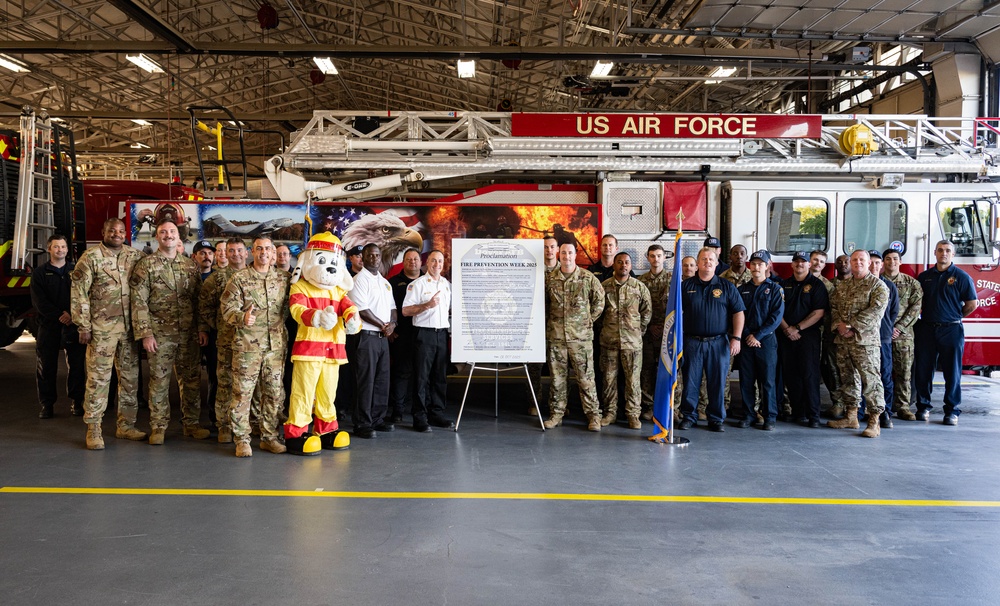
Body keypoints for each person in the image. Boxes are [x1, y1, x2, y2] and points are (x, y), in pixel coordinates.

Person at [71, 218, 147, 449]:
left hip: (129, 330)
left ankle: (126, 425)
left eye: (121, 231)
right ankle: (94, 429)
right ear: (103, 232)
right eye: (112, 231)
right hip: (102, 330)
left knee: (130, 379)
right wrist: (83, 325)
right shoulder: (91, 257)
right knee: (98, 379)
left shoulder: (135, 256)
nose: (117, 234)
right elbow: (79, 293)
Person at [130, 220, 207, 445]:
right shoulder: (146, 265)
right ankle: (158, 427)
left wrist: (202, 328)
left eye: (172, 231)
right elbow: (139, 301)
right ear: (157, 237)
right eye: (163, 232)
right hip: (160, 335)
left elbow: (199, 301)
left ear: (179, 236)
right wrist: (146, 333)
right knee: (159, 382)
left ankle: (191, 424)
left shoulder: (190, 266)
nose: (168, 235)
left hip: (188, 334)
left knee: (191, 380)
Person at [219, 236, 290, 456]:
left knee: (274, 393)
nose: (264, 253)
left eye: (268, 249)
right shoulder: (240, 279)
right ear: (252, 251)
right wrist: (242, 317)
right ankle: (242, 439)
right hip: (247, 347)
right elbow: (227, 308)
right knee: (242, 394)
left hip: (275, 347)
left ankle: (269, 437)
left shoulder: (284, 278)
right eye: (259, 248)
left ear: (273, 252)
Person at [677, 247, 745, 432]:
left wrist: (736, 338)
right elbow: (675, 313)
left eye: (711, 259)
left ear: (716, 263)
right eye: (703, 259)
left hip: (718, 342)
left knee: (718, 382)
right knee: (690, 381)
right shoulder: (685, 286)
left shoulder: (726, 286)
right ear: (697, 263)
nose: (707, 262)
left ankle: (716, 418)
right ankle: (689, 416)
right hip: (692, 342)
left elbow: (738, 313)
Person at [913, 240, 977, 425]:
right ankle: (923, 407)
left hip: (951, 330)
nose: (944, 253)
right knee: (923, 371)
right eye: (940, 250)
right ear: (935, 253)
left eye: (948, 250)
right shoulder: (924, 277)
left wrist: (954, 316)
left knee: (952, 372)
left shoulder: (962, 277)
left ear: (953, 254)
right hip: (927, 329)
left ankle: (952, 411)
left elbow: (971, 304)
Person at [542, 243, 605, 431]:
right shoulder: (550, 279)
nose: (567, 256)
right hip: (556, 338)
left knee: (586, 378)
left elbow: (600, 301)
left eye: (570, 252)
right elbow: (544, 305)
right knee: (557, 379)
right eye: (563, 252)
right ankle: (556, 414)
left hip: (581, 339)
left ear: (575, 255)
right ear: (558, 254)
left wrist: (587, 321)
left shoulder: (588, 278)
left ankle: (593, 416)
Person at [827, 250, 889, 438]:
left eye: (862, 260)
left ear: (869, 263)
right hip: (843, 340)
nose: (858, 262)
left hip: (865, 343)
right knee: (847, 379)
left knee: (871, 381)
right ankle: (851, 417)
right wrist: (839, 327)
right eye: (854, 260)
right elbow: (834, 308)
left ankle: (874, 421)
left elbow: (875, 312)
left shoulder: (878, 286)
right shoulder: (842, 286)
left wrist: (851, 327)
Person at [32, 235, 86, 419]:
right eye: (56, 247)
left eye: (63, 247)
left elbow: (84, 295)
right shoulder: (40, 273)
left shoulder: (77, 271)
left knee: (77, 366)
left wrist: (72, 315)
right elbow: (39, 302)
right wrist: (59, 315)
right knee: (46, 367)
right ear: (49, 249)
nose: (60, 250)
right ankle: (47, 405)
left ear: (67, 249)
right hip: (49, 326)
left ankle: (77, 401)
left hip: (73, 325)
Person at [199, 237, 246, 443]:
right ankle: (224, 426)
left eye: (239, 250)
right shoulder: (216, 279)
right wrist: (219, 324)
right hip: (225, 339)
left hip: (251, 342)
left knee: (247, 385)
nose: (235, 254)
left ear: (246, 253)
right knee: (224, 382)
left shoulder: (254, 275)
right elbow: (204, 307)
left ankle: (246, 424)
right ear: (226, 254)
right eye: (231, 251)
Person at [402, 250, 454, 431]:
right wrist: (427, 305)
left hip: (442, 334)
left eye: (440, 261)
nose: (437, 264)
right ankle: (419, 417)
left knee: (440, 377)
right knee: (421, 378)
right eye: (433, 261)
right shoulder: (417, 284)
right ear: (427, 262)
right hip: (424, 335)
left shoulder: (447, 285)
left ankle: (436, 414)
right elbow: (405, 311)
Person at [599, 252, 651, 429]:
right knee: (608, 379)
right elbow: (598, 313)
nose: (623, 265)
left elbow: (646, 313)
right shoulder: (604, 287)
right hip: (609, 342)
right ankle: (610, 413)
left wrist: (637, 332)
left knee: (633, 381)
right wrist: (606, 330)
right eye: (620, 262)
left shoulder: (639, 287)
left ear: (631, 265)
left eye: (627, 262)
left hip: (632, 344)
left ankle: (633, 415)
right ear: (614, 265)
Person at [349, 243, 397, 438]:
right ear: (363, 257)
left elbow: (393, 308)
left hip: (382, 339)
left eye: (377, 255)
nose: (374, 258)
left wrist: (393, 324)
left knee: (381, 380)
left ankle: (377, 419)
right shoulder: (359, 280)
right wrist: (384, 326)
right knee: (366, 381)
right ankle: (362, 423)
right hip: (367, 337)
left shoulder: (385, 282)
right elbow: (362, 310)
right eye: (370, 255)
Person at [779, 251, 830, 427]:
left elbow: (819, 312)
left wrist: (797, 328)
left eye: (803, 261)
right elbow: (777, 310)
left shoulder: (817, 285)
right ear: (792, 264)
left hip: (808, 336)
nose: (799, 264)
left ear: (809, 264)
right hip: (787, 335)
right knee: (791, 375)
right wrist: (787, 329)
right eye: (796, 261)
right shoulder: (784, 284)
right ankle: (798, 412)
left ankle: (813, 415)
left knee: (810, 375)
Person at [735, 250, 784, 430]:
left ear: (767, 266)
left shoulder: (775, 289)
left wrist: (758, 336)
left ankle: (770, 416)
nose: (756, 267)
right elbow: (739, 314)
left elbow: (776, 317)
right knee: (747, 380)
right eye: (754, 264)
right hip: (747, 340)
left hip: (766, 341)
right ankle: (749, 414)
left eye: (760, 264)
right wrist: (748, 335)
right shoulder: (742, 290)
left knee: (768, 381)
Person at [882, 249, 922, 421]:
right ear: (883, 262)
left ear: (900, 262)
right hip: (881, 334)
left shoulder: (911, 283)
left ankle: (903, 406)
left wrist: (898, 327)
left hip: (903, 336)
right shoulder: (877, 281)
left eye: (895, 259)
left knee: (904, 372)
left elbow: (915, 308)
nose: (891, 262)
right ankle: (881, 405)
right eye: (888, 259)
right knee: (881, 372)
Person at [525, 236, 561, 413]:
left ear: (557, 249)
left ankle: (559, 405)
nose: (549, 250)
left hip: (559, 327)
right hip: (536, 326)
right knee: (534, 367)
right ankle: (534, 403)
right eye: (545, 247)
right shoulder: (533, 269)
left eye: (552, 247)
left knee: (558, 367)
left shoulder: (566, 270)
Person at [865, 250, 899, 429]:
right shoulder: (859, 284)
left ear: (882, 265)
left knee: (885, 376)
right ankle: (862, 412)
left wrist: (886, 328)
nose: (874, 266)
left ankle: (885, 413)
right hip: (863, 337)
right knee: (862, 376)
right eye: (870, 262)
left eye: (877, 262)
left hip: (883, 337)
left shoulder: (889, 286)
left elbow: (894, 311)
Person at [637, 244, 670, 421]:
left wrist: (665, 327)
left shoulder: (673, 279)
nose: (656, 259)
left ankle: (671, 407)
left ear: (664, 257)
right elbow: (637, 308)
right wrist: (649, 327)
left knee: (669, 370)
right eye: (652, 256)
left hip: (668, 333)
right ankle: (649, 406)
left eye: (659, 255)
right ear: (648, 258)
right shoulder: (640, 281)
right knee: (647, 371)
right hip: (648, 333)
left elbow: (679, 308)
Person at [388, 248, 422, 423]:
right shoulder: (393, 282)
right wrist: (390, 329)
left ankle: (421, 411)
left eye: (415, 259)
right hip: (401, 335)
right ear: (404, 262)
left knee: (422, 374)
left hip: (423, 335)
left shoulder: (428, 281)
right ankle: (398, 410)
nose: (412, 262)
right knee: (401, 372)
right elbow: (386, 307)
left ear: (420, 262)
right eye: (409, 259)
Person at [191, 239, 218, 426]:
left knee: (214, 374)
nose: (206, 256)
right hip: (188, 332)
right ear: (195, 256)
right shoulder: (188, 277)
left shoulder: (218, 278)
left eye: (209, 253)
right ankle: (190, 418)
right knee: (190, 376)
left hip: (212, 332)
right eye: (202, 253)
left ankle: (214, 415)